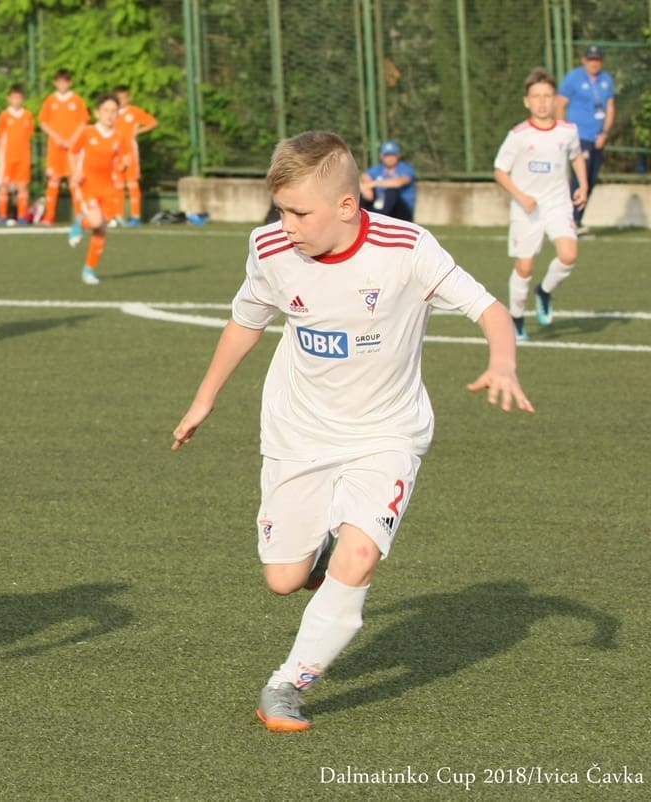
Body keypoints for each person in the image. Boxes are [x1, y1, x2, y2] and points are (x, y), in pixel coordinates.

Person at [172, 130, 534, 733]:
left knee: (361, 554)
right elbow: (246, 322)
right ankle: (317, 553)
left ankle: (288, 683)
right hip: (297, 430)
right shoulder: (269, 248)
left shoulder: (407, 248)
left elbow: (489, 308)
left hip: (386, 433)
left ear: (347, 205)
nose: (286, 225)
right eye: (280, 210)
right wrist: (204, 399)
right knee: (284, 579)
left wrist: (503, 361)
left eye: (299, 213)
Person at [494, 67, 588, 342]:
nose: (542, 102)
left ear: (555, 99)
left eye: (547, 96)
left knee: (569, 255)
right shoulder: (519, 135)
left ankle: (544, 291)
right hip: (526, 209)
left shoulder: (568, 131)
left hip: (558, 204)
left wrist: (583, 185)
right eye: (536, 96)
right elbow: (500, 170)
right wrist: (521, 196)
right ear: (527, 101)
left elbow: (576, 156)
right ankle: (516, 317)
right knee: (525, 267)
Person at [67, 93, 130, 285]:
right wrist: (75, 171)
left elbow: (123, 158)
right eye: (106, 110)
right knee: (95, 221)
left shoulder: (120, 136)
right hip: (87, 185)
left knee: (101, 230)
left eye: (114, 111)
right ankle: (80, 222)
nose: (110, 115)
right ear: (97, 113)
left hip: (108, 189)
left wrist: (124, 164)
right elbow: (72, 151)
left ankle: (89, 270)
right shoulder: (88, 132)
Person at [555, 45, 616, 234]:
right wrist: (563, 132)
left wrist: (605, 133)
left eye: (597, 59)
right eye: (591, 59)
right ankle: (570, 221)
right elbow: (560, 104)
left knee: (591, 179)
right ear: (584, 60)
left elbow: (610, 107)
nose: (594, 63)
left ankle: (577, 219)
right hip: (579, 137)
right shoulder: (574, 78)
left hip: (597, 138)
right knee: (580, 180)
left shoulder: (606, 79)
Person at [38, 68, 90, 225]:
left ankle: (79, 215)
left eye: (65, 82)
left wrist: (73, 139)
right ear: (55, 83)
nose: (62, 85)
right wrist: (56, 137)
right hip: (55, 147)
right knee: (53, 180)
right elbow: (43, 123)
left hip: (73, 148)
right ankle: (49, 216)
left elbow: (83, 122)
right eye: (59, 82)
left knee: (74, 180)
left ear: (70, 83)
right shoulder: (50, 100)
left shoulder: (77, 100)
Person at [111, 85, 158, 226]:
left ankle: (136, 216)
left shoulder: (134, 111)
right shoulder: (111, 112)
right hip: (114, 152)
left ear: (129, 98)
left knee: (132, 183)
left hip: (130, 151)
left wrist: (138, 131)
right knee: (117, 184)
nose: (121, 101)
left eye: (124, 98)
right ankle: (117, 215)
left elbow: (153, 122)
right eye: (119, 98)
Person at [0, 84, 35, 224]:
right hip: (8, 157)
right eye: (14, 98)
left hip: (23, 157)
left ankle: (22, 217)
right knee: (4, 187)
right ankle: (2, 217)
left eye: (19, 98)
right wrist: (1, 155)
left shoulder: (28, 115)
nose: (16, 101)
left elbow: (29, 135)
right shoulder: (4, 116)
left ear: (23, 99)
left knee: (22, 186)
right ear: (9, 98)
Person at [358, 140, 416, 222]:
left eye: (392, 155)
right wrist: (366, 188)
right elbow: (364, 176)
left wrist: (373, 184)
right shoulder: (379, 169)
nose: (389, 158)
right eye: (387, 155)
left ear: (398, 155)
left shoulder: (405, 168)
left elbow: (399, 182)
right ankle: (360, 218)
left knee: (392, 191)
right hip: (381, 207)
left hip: (402, 212)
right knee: (362, 191)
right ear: (382, 156)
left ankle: (381, 219)